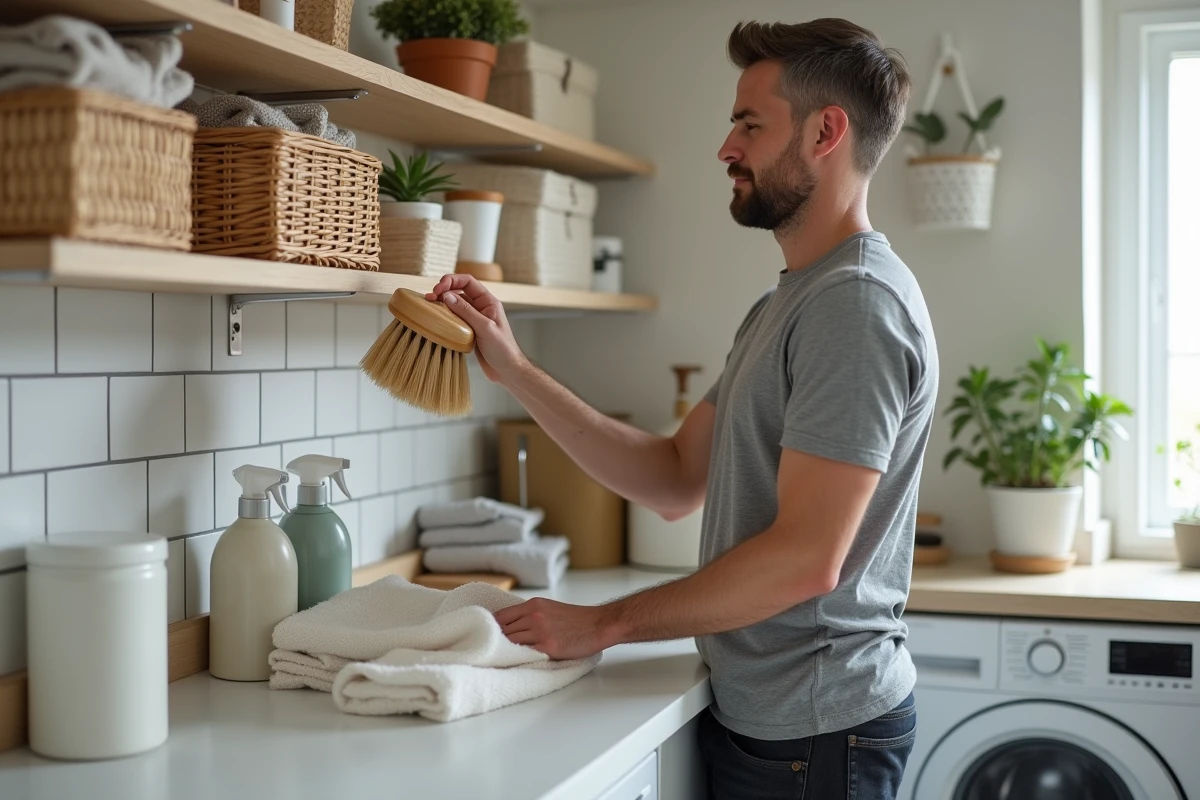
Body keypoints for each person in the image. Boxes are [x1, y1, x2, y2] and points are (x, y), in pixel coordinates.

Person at [425, 17, 938, 800]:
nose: (726, 148)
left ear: (826, 132)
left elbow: (809, 556)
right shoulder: (785, 304)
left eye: (749, 123)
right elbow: (671, 477)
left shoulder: (854, 307)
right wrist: (516, 370)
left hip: (819, 731)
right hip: (778, 721)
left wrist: (607, 622)